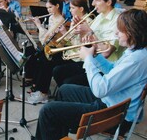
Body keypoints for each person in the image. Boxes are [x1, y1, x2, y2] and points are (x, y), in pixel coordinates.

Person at [35, 9, 147, 140]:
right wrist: (95, 56)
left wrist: (88, 60)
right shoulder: (135, 51)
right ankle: (60, 134)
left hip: (113, 114)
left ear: (133, 33)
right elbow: (111, 69)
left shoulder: (136, 59)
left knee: (48, 111)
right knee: (65, 90)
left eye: (120, 31)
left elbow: (100, 89)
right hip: (113, 103)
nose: (116, 33)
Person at [53, 0, 125, 87]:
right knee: (58, 71)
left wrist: (89, 31)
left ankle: (75, 97)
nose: (93, 4)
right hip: (91, 61)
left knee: (68, 83)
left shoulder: (117, 21)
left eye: (97, 0)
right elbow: (86, 43)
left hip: (104, 67)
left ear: (109, 2)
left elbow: (106, 52)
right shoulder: (99, 17)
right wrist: (81, 32)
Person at [25, 0, 66, 104]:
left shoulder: (60, 19)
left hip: (58, 48)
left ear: (57, 6)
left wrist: (38, 24)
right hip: (50, 46)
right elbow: (46, 37)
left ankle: (43, 93)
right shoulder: (51, 17)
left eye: (50, 7)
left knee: (44, 61)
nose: (48, 10)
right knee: (34, 57)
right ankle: (37, 88)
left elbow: (46, 37)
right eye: (47, 8)